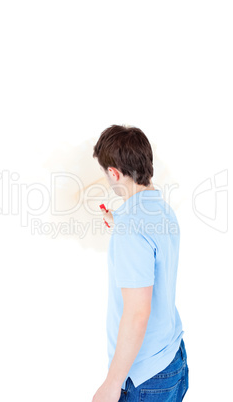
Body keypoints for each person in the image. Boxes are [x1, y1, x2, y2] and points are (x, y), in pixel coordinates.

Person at [91, 125, 189, 401]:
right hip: (173, 357)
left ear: (114, 173)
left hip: (145, 379)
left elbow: (137, 315)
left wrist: (112, 383)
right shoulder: (162, 210)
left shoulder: (131, 229)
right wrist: (121, 224)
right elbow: (149, 248)